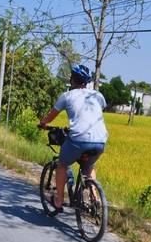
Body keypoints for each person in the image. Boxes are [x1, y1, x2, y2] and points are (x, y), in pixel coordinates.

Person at [38, 64, 108, 213]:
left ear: (72, 80)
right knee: (88, 167)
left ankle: (58, 201)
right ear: (87, 81)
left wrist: (43, 123)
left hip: (78, 138)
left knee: (62, 164)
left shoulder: (67, 96)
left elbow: (51, 116)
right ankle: (95, 198)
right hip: (101, 140)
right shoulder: (98, 95)